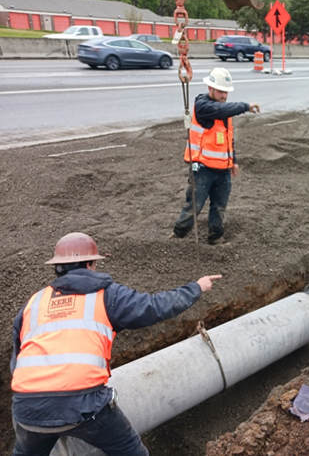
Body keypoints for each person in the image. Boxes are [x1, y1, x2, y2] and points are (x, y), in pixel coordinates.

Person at [10, 232, 222, 455]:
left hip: (27, 407)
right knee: (131, 451)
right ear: (90, 264)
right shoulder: (105, 295)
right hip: (83, 406)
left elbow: (18, 358)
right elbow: (153, 307)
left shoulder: (34, 303)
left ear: (58, 268)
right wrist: (197, 288)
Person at [171, 67, 260, 245]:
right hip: (202, 168)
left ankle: (216, 236)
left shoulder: (224, 111)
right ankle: (178, 235)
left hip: (222, 170)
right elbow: (218, 110)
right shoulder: (203, 105)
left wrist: (233, 160)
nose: (224, 96)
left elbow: (228, 139)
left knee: (219, 205)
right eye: (220, 91)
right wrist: (245, 106)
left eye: (226, 92)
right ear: (210, 88)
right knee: (194, 205)